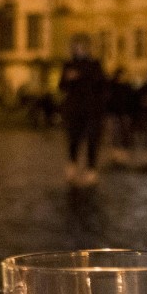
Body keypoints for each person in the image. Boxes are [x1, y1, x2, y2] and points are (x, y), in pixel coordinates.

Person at [58, 37, 108, 186]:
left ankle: (91, 169)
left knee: (92, 140)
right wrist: (69, 79)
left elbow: (101, 84)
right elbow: (61, 86)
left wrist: (81, 76)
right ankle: (72, 165)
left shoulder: (94, 64)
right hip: (74, 108)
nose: (79, 49)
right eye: (76, 46)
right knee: (73, 139)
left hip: (92, 109)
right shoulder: (68, 64)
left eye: (82, 47)